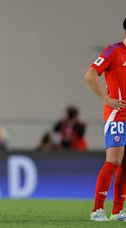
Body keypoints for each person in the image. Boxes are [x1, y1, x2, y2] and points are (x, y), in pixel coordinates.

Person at [85, 17, 126, 222]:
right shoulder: (113, 50)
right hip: (117, 114)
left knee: (125, 164)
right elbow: (91, 74)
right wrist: (107, 99)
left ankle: (118, 211)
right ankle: (97, 209)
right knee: (114, 160)